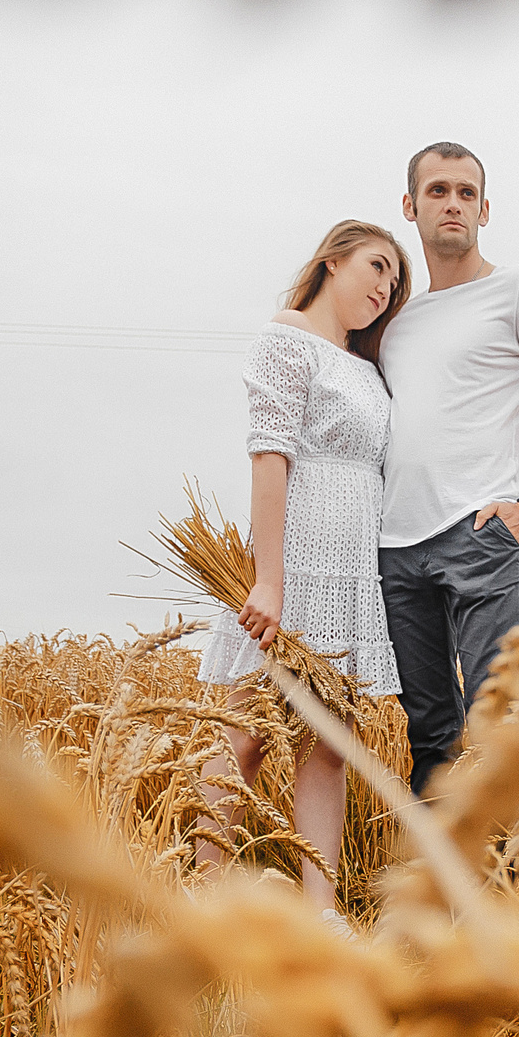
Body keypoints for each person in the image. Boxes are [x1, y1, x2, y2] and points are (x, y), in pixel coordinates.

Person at [194, 220, 410, 927]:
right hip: (296, 555)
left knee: (328, 742)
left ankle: (322, 912)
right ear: (333, 259)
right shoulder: (287, 338)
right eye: (378, 267)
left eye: (395, 283)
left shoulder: (365, 365)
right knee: (250, 729)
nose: (386, 288)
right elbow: (269, 457)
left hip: (351, 567)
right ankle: (206, 891)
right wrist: (269, 580)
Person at [378, 141, 519, 794]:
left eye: (466, 193)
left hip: (482, 537)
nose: (453, 203)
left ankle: (499, 891)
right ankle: (437, 890)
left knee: (494, 727)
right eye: (438, 190)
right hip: (397, 550)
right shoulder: (397, 323)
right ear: (410, 206)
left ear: (484, 210)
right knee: (430, 737)